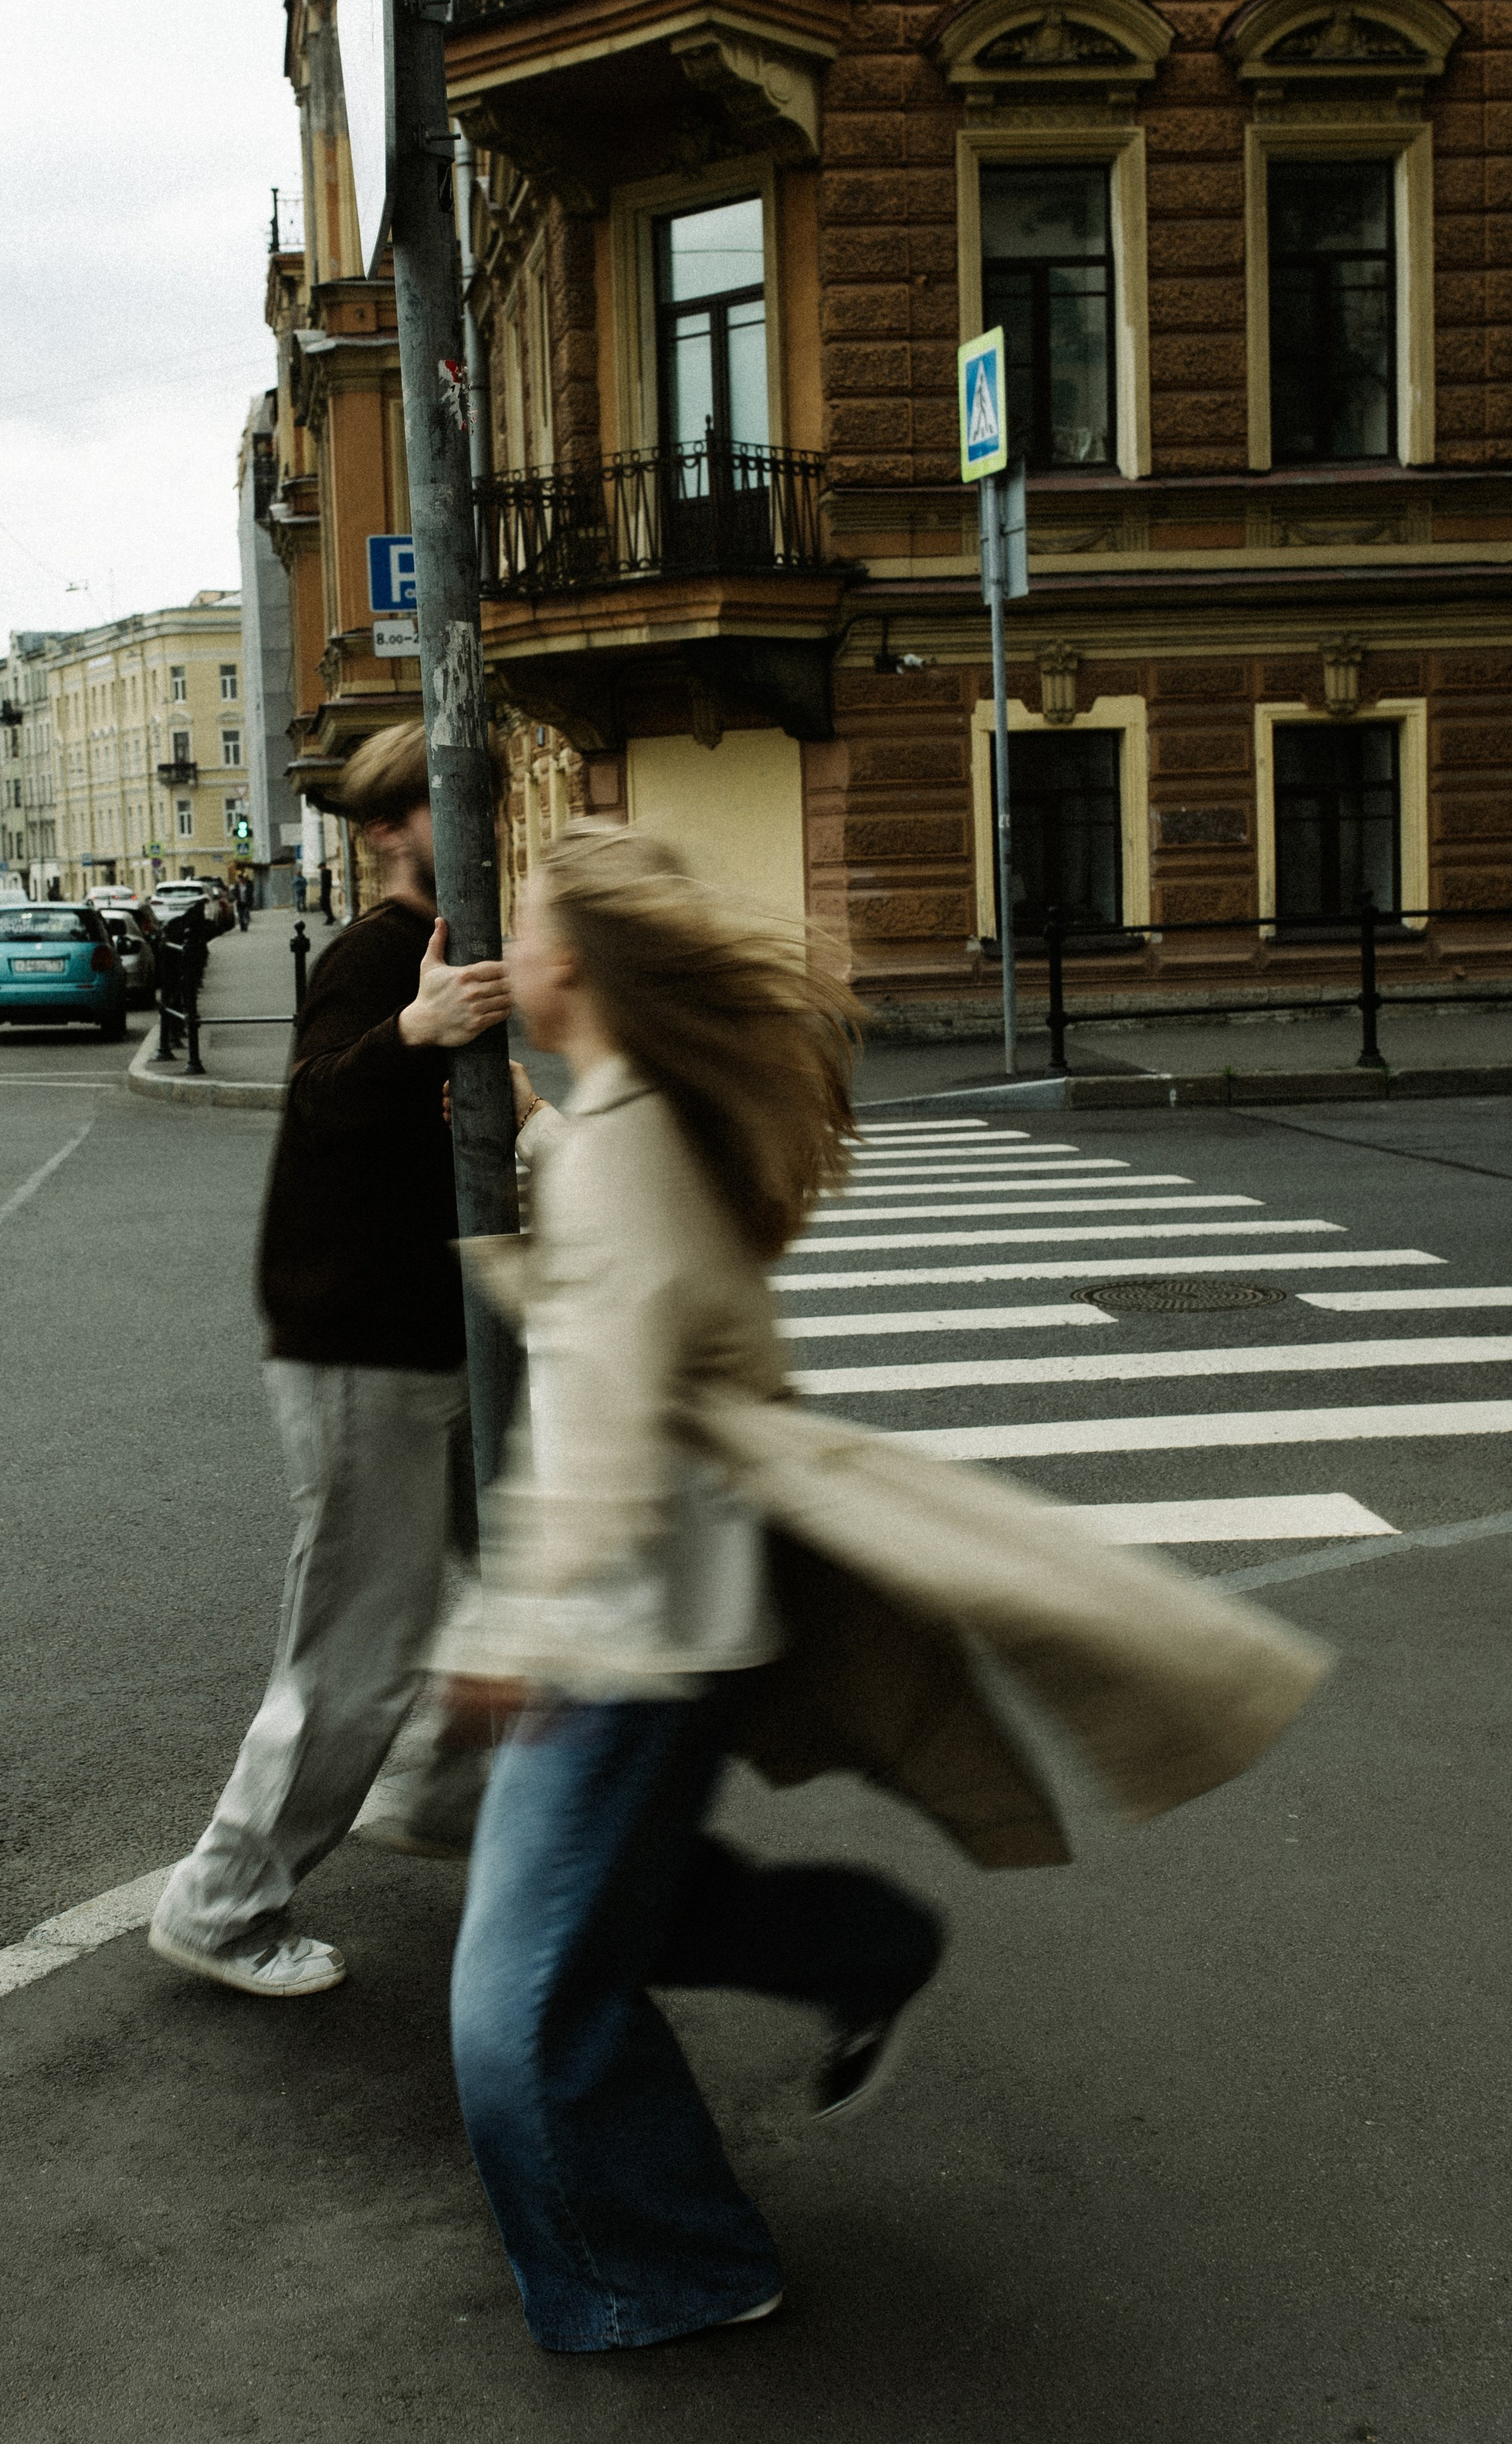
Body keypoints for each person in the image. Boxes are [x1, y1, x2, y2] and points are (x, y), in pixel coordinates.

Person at [436, 823, 1330, 2354]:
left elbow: (598, 1410)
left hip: (628, 1632)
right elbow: (614, 1289)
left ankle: (668, 2270)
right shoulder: (624, 1123)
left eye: (518, 928)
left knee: (509, 2015)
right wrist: (522, 1153)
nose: (499, 951)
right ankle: (857, 1952)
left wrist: (509, 1628)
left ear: (570, 966)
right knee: (615, 1926)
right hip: (670, 1607)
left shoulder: (632, 1142)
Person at [147, 722, 513, 1998]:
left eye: (489, 804)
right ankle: (222, 1900)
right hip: (364, 1346)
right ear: (389, 831)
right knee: (354, 1650)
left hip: (432, 1335)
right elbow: (314, 1104)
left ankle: (442, 1793)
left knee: (506, 1583)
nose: (487, 829)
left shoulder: (453, 950)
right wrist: (414, 1035)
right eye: (460, 807)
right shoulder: (373, 954)